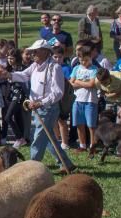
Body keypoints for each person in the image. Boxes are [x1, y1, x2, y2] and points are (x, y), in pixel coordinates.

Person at [8, 40, 75, 172]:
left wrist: (40, 103)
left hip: (48, 108)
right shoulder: (34, 66)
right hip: (36, 108)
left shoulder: (54, 68)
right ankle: (66, 163)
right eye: (32, 51)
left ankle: (32, 168)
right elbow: (24, 75)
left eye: (35, 51)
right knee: (48, 138)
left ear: (45, 52)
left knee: (38, 137)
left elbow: (58, 92)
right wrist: (9, 75)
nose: (33, 54)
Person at [69, 45, 99, 152]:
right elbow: (70, 82)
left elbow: (91, 84)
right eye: (81, 60)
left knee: (91, 125)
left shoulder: (94, 69)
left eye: (86, 60)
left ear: (91, 58)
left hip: (90, 100)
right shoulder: (76, 68)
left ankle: (93, 145)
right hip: (77, 100)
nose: (83, 62)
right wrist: (79, 83)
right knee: (79, 123)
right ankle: (82, 145)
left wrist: (78, 82)